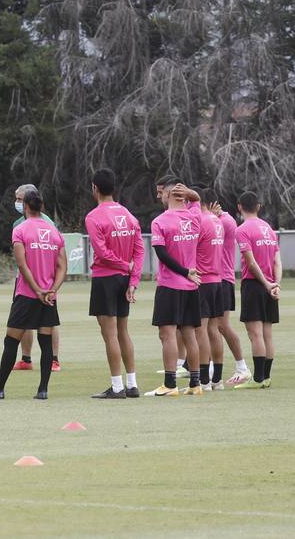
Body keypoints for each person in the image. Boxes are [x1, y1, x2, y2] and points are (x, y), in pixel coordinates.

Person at [0, 189, 65, 400]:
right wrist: (52, 290)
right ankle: (42, 390)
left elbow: (22, 265)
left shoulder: (20, 230)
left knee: (11, 341)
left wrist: (36, 289)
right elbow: (63, 267)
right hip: (49, 297)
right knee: (45, 343)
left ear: (25, 206)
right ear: (41, 207)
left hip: (27, 295)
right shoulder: (54, 232)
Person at [84, 169, 144, 399]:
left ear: (95, 189)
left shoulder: (94, 217)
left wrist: (123, 265)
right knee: (123, 332)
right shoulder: (128, 215)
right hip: (124, 280)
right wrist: (133, 280)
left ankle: (117, 386)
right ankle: (132, 383)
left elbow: (102, 252)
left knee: (109, 334)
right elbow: (139, 250)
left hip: (106, 277)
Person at [144, 180, 205, 397]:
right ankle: (195, 383)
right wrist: (191, 193)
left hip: (171, 284)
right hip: (191, 286)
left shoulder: (160, 221)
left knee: (167, 334)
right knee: (189, 333)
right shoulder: (195, 217)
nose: (159, 197)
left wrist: (183, 271)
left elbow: (162, 254)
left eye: (162, 194)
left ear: (169, 194)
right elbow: (197, 200)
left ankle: (170, 385)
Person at [233, 191, 281, 389]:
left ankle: (258, 378)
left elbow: (251, 263)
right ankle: (266, 377)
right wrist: (275, 283)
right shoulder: (268, 229)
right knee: (267, 333)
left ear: (239, 207)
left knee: (255, 334)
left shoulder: (242, 230)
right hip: (270, 283)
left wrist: (266, 284)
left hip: (255, 284)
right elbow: (277, 260)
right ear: (258, 207)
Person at [12, 183, 60, 373]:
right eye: (15, 199)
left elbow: (57, 252)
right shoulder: (18, 223)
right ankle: (26, 358)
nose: (17, 203)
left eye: (20, 199)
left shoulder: (47, 223)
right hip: (24, 280)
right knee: (24, 320)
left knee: (49, 321)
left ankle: (54, 359)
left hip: (45, 279)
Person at [209, 193, 251, 386]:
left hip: (223, 278)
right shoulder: (216, 219)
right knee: (212, 327)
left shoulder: (224, 221)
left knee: (221, 326)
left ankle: (242, 368)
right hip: (216, 278)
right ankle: (209, 368)